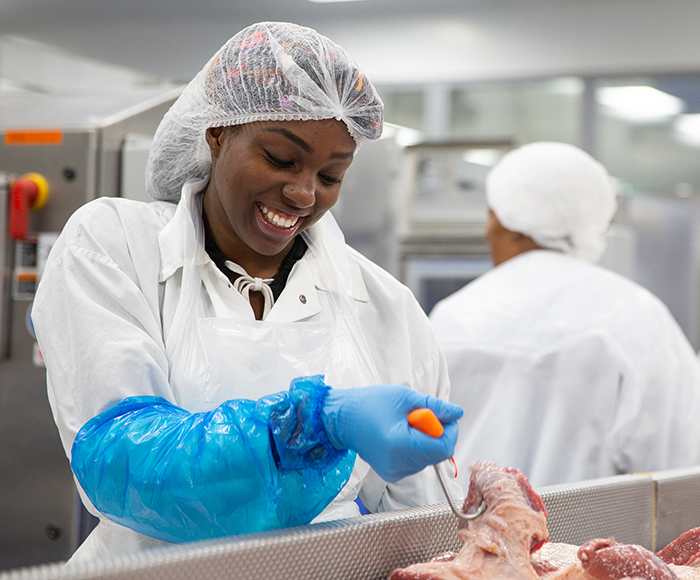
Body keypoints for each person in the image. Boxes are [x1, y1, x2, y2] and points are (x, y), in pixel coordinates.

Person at [32, 22, 462, 563]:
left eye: (331, 175)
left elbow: (416, 526)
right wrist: (314, 425)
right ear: (217, 133)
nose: (304, 193)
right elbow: (125, 469)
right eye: (282, 159)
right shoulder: (114, 245)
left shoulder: (381, 305)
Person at [429, 141, 700, 490]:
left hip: (464, 535)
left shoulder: (452, 314)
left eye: (490, 214)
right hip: (588, 540)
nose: (487, 230)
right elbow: (676, 461)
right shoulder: (638, 315)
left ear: (509, 221)